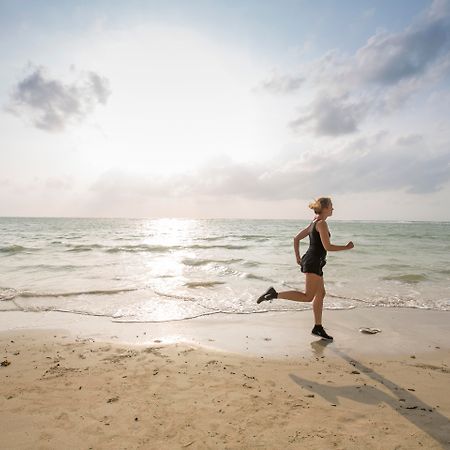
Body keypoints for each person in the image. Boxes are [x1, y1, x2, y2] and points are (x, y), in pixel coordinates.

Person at [257, 197, 354, 340]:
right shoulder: (321, 223)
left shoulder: (314, 222)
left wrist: (298, 257)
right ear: (325, 208)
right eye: (331, 206)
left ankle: (318, 327)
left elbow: (296, 239)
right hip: (314, 262)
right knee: (308, 297)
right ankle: (274, 294)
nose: (333, 208)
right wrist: (346, 247)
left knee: (320, 294)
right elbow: (327, 247)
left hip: (315, 261)